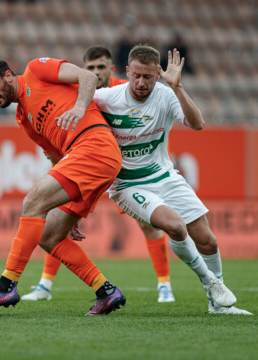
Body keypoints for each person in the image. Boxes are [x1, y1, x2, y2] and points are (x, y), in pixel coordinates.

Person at [92, 44, 252, 315]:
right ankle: (211, 283)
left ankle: (218, 306)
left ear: (157, 74)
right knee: (176, 227)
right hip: (128, 185)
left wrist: (177, 87)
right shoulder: (106, 98)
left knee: (208, 240)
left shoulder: (166, 95)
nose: (141, 83)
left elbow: (198, 123)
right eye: (137, 76)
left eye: (148, 77)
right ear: (128, 72)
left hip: (165, 175)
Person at [0, 56, 126, 316]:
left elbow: (87, 77)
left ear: (8, 76)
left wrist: (79, 108)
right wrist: (66, 201)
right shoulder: (24, 118)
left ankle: (6, 284)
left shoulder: (36, 70)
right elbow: (56, 156)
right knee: (49, 235)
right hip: (86, 159)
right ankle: (106, 291)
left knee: (31, 203)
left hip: (94, 146)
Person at [22, 45, 175, 303]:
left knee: (147, 223)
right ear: (84, 69)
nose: (96, 71)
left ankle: (164, 284)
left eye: (101, 67)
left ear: (112, 69)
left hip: (126, 169)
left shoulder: (124, 91)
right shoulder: (79, 95)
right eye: (90, 68)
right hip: (92, 165)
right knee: (57, 222)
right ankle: (45, 285)